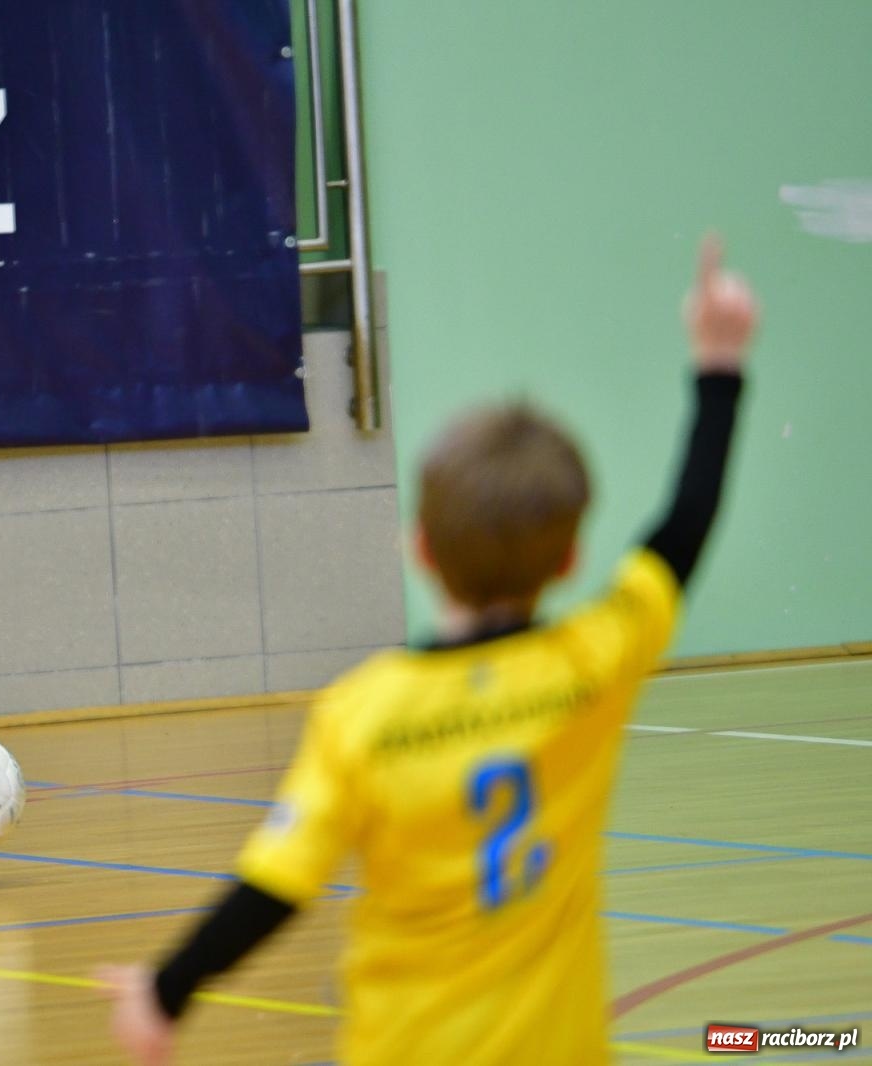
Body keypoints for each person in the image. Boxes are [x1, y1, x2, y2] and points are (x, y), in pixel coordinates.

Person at [101, 235, 758, 1065]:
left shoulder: (364, 712)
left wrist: (166, 992)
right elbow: (682, 531)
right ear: (568, 559)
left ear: (419, 548)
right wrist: (719, 364)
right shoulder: (594, 664)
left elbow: (275, 886)